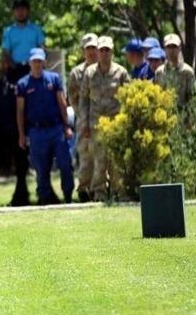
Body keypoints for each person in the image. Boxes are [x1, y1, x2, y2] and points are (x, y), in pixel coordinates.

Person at [16, 49, 74, 204]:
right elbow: (20, 111)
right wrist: (22, 134)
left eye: (40, 61)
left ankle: (68, 196)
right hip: (36, 131)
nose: (37, 64)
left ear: (44, 62)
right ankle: (44, 198)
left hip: (56, 129)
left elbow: (62, 103)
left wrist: (66, 126)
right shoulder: (23, 84)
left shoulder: (53, 79)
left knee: (65, 163)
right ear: (30, 63)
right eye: (34, 61)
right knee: (41, 168)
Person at [81, 36, 131, 201]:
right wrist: (85, 124)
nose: (103, 53)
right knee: (99, 161)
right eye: (101, 50)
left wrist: (125, 122)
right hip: (96, 125)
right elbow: (84, 100)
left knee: (117, 161)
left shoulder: (121, 72)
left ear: (112, 52)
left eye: (107, 50)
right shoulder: (89, 73)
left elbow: (128, 98)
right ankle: (100, 194)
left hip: (116, 124)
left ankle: (119, 192)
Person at [67, 33, 99, 202]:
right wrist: (84, 118)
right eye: (88, 49)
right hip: (84, 121)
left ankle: (100, 189)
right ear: (83, 51)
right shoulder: (76, 73)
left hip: (103, 122)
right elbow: (73, 98)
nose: (92, 52)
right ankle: (84, 189)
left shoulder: (106, 69)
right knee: (85, 157)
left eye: (94, 48)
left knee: (102, 157)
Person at [1, 0, 46, 82]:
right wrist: (13, 66)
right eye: (17, 10)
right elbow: (5, 52)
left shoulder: (36, 29)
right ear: (13, 12)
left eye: (23, 9)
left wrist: (37, 62)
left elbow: (41, 48)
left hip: (34, 68)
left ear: (28, 11)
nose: (20, 12)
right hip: (14, 69)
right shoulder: (8, 31)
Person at [154, 33, 196, 108]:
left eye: (174, 47)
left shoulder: (187, 72)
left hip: (181, 115)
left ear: (179, 48)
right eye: (168, 47)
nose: (171, 50)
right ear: (164, 49)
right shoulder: (159, 72)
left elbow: (192, 98)